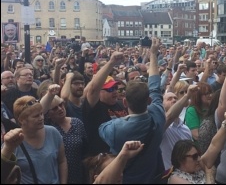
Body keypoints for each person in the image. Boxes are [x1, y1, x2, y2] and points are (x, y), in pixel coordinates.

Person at [98, 38, 166, 183]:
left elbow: (101, 128)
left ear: (124, 101)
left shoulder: (116, 128)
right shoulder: (158, 114)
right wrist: (153, 54)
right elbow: (154, 85)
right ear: (148, 101)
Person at [12, 96, 68, 184]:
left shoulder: (53, 133)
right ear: (22, 120)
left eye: (41, 114)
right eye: (36, 116)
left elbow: (62, 161)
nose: (41, 118)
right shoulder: (13, 142)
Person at [40, 84, 87, 184]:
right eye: (55, 108)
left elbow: (85, 150)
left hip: (78, 175)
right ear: (48, 113)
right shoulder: (47, 128)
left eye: (61, 105)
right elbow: (40, 110)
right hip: (56, 177)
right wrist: (50, 94)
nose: (60, 109)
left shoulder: (77, 123)